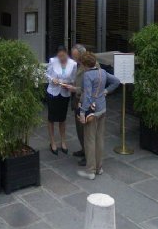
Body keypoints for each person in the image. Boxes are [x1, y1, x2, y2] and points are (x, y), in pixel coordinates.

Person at [77, 51, 120, 180]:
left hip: (92, 111)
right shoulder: (102, 72)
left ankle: (90, 171)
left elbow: (87, 96)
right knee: (99, 139)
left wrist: (83, 112)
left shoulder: (87, 75)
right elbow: (116, 81)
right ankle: (99, 168)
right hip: (102, 108)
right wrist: (106, 91)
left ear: (85, 64)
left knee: (89, 140)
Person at [44, 46, 76, 155]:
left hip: (64, 93)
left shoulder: (73, 64)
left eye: (63, 56)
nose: (61, 58)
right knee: (51, 118)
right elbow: (47, 74)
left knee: (62, 118)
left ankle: (63, 141)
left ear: (66, 53)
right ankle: (52, 142)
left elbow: (73, 79)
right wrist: (52, 79)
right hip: (53, 92)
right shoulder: (53, 61)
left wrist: (68, 84)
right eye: (59, 56)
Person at [66, 44, 89, 165]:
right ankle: (83, 149)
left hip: (85, 102)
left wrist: (75, 89)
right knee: (79, 129)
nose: (73, 59)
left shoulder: (90, 65)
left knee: (85, 130)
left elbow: (90, 88)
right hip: (77, 101)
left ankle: (89, 155)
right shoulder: (78, 65)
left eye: (75, 56)